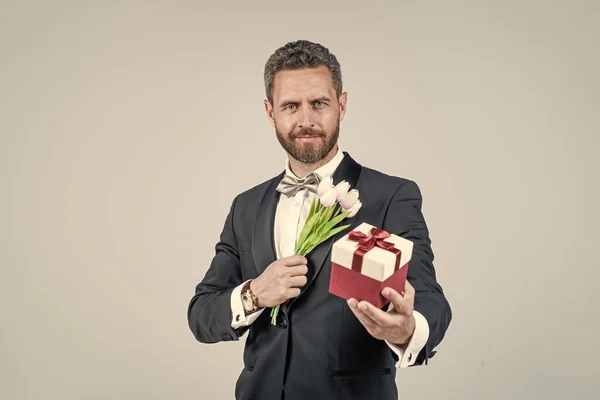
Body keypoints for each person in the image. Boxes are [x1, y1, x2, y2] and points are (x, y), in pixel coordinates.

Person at [187, 39, 452, 400]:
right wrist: (254, 294)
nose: (306, 120)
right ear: (270, 112)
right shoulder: (245, 207)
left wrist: (406, 329)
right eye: (291, 106)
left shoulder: (391, 196)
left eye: (319, 103)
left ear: (341, 105)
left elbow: (430, 299)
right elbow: (202, 314)